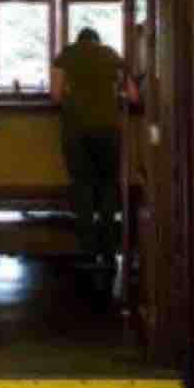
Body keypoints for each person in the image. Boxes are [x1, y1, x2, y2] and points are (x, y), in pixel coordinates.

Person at [51, 26, 125, 268]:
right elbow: (132, 93)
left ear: (79, 41)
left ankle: (88, 250)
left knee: (82, 186)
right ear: (97, 41)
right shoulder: (110, 54)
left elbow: (55, 95)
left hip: (77, 129)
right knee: (107, 185)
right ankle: (109, 249)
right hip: (108, 129)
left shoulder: (66, 55)